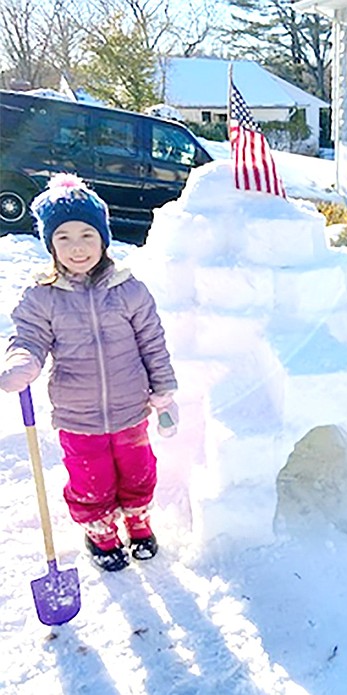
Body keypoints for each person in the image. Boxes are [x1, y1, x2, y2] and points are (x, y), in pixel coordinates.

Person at [0, 173, 178, 571]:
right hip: (77, 416)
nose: (77, 247)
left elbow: (153, 341)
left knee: (138, 471)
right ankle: (101, 533)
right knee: (90, 479)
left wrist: (163, 388)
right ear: (49, 245)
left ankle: (138, 523)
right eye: (63, 238)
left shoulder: (128, 289)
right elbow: (28, 337)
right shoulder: (41, 296)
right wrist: (22, 362)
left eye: (87, 235)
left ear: (103, 239)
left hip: (131, 408)